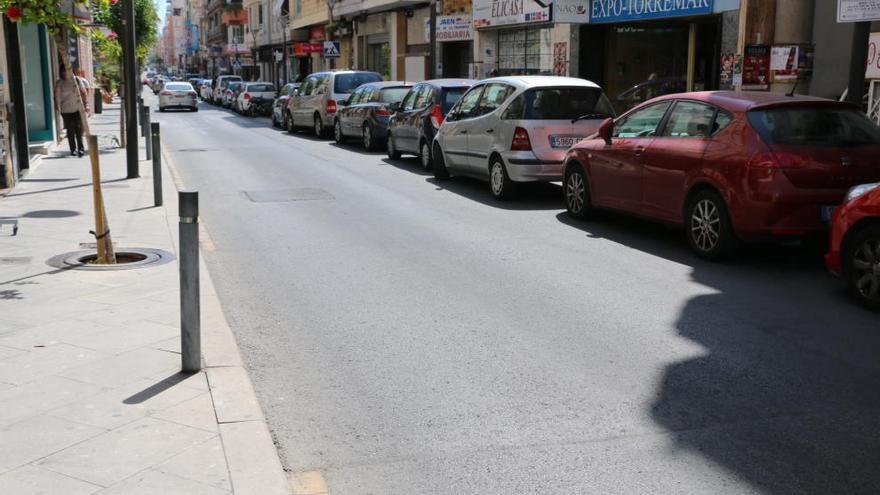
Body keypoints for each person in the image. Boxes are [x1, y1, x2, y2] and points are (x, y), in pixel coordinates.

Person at [54, 67, 87, 157]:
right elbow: (56, 96)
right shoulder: (59, 83)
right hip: (65, 110)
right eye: (62, 71)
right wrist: (58, 107)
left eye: (65, 71)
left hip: (77, 108)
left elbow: (84, 92)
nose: (64, 73)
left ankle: (81, 149)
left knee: (78, 129)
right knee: (70, 130)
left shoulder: (76, 80)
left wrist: (85, 105)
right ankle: (73, 149)